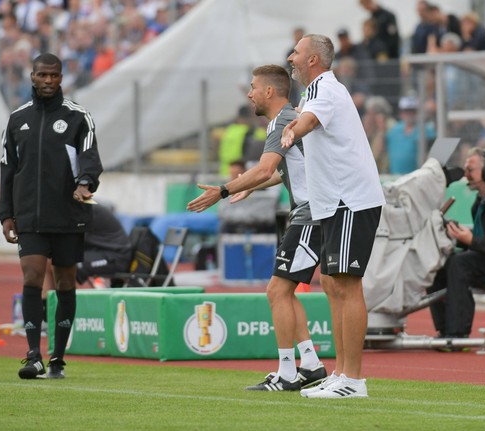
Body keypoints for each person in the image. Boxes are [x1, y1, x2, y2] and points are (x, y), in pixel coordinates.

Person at [187, 64, 327, 392]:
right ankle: (309, 363)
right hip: (309, 214)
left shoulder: (283, 121)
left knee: (276, 291)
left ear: (268, 91)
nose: (249, 93)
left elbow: (265, 169)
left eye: (253, 86)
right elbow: (285, 171)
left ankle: (288, 371)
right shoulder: (290, 118)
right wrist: (251, 186)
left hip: (310, 215)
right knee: (285, 291)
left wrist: (224, 190)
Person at [282, 34, 385, 398]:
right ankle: (341, 373)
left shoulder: (326, 87)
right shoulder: (312, 92)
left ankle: (354, 380)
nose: (290, 57)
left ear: (313, 60)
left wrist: (293, 130)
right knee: (331, 283)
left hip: (349, 200)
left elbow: (309, 121)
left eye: (296, 52)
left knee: (346, 284)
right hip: (333, 203)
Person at [0, 53, 103, 379]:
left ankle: (58, 357)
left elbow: (90, 157)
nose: (48, 81)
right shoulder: (17, 119)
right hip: (29, 215)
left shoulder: (78, 117)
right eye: (42, 75)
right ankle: (33, 355)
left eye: (53, 76)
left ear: (61, 78)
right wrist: (6, 213)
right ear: (32, 76)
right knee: (31, 276)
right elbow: (7, 169)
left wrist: (86, 183)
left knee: (65, 282)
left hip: (68, 213)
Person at [427, 148, 485, 342]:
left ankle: (457, 333)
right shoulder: (481, 199)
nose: (465, 175)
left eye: (470, 170)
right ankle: (445, 328)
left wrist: (471, 240)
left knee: (459, 264)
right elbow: (484, 237)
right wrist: (459, 236)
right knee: (438, 263)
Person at [385, 95, 436, 174]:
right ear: (401, 113)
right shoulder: (394, 130)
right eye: (406, 111)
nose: (409, 114)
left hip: (416, 176)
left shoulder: (426, 129)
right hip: (395, 176)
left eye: (412, 111)